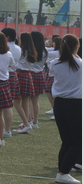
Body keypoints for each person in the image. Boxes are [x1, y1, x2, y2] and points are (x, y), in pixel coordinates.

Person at [48, 35, 82, 184]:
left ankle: (62, 172)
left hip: (59, 104)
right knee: (78, 142)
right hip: (75, 105)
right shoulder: (80, 63)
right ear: (76, 46)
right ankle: (63, 173)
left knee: (67, 141)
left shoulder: (54, 63)